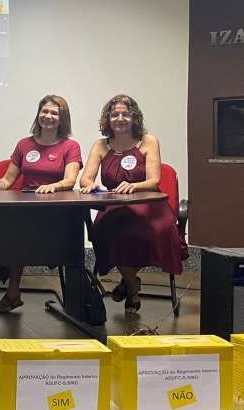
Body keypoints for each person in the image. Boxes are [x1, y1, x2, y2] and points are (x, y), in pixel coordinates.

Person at [80, 94, 188, 313]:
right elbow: (85, 179)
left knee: (146, 231)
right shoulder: (100, 145)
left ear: (134, 117)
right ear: (108, 118)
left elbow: (154, 181)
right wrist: (92, 185)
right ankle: (132, 284)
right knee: (105, 230)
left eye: (125, 114)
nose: (120, 118)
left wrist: (134, 186)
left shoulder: (149, 141)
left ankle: (128, 284)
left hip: (150, 206)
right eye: (115, 114)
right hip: (114, 206)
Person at [0, 94, 83, 313]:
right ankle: (12, 293)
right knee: (0, 232)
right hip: (26, 210)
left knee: (18, 235)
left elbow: (70, 180)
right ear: (38, 114)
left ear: (62, 118)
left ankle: (13, 295)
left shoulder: (70, 146)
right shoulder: (24, 144)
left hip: (56, 212)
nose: (48, 116)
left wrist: (52, 186)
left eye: (54, 113)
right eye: (44, 111)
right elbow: (6, 181)